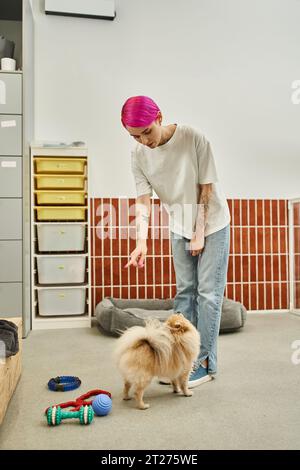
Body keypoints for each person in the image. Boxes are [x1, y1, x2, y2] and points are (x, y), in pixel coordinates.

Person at [121, 95, 230, 388]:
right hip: (179, 223)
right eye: (135, 136)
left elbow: (206, 189)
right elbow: (143, 202)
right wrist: (141, 241)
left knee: (208, 294)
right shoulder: (138, 154)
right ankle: (179, 361)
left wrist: (199, 231)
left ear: (159, 118)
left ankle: (205, 361)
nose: (144, 141)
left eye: (147, 132)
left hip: (213, 222)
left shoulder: (192, 137)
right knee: (185, 293)